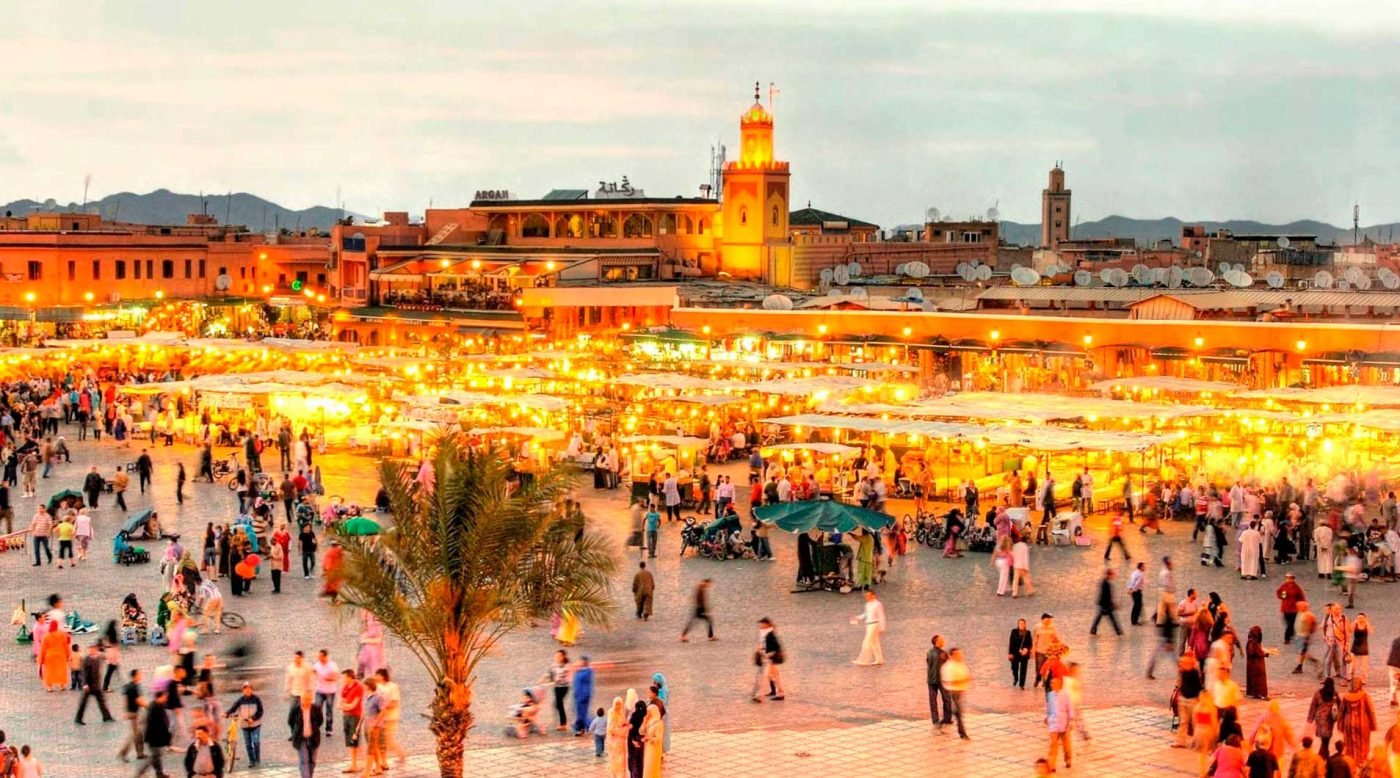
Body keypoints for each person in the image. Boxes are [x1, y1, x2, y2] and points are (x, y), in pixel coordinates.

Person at [1337, 677, 1376, 765]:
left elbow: (1341, 712)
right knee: (1363, 743)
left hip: (1349, 723)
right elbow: (1370, 711)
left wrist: (1340, 726)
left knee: (1350, 743)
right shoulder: (1364, 696)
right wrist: (1373, 725)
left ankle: (1351, 760)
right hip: (1362, 723)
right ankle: (1361, 760)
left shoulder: (1346, 696)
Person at [224, 682, 264, 768]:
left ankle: (257, 759)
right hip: (245, 725)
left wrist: (253, 718)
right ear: (243, 690)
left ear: (251, 689)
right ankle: (252, 760)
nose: (247, 690)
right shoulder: (240, 700)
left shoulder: (256, 699)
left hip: (255, 724)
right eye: (245, 689)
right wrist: (226, 713)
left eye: (249, 688)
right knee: (248, 744)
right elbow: (233, 708)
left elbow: (260, 711)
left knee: (256, 742)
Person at [136, 688, 173, 778]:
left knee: (156, 756)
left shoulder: (156, 705)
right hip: (154, 737)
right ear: (160, 697)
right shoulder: (156, 708)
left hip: (154, 736)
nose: (166, 698)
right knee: (154, 756)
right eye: (165, 696)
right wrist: (167, 738)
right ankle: (141, 772)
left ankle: (159, 773)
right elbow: (159, 725)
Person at [74, 643, 114, 725]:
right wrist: (85, 684)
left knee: (102, 701)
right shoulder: (86, 660)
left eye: (94, 649)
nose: (93, 650)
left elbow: (105, 657)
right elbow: (84, 673)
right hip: (89, 685)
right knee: (83, 703)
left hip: (96, 685)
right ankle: (78, 718)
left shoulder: (98, 657)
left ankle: (106, 716)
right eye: (91, 649)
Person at [288, 693, 323, 778]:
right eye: (303, 700)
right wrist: (296, 731)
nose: (305, 702)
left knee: (312, 761)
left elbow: (320, 721)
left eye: (307, 700)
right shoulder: (295, 709)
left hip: (313, 738)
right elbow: (290, 721)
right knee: (304, 760)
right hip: (301, 739)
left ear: (310, 700)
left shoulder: (316, 709)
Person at [1174, 654, 1204, 749]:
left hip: (1193, 700)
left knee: (1196, 722)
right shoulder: (1182, 672)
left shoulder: (1194, 673)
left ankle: (1198, 742)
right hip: (1183, 699)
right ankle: (1180, 741)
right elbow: (1180, 683)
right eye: (1181, 662)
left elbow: (1199, 687)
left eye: (1183, 663)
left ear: (1189, 663)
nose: (1180, 664)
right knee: (1183, 721)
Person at [940, 647, 971, 740]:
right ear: (952, 655)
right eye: (958, 654)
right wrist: (963, 680)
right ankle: (962, 733)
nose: (960, 656)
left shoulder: (960, 664)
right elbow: (948, 681)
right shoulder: (948, 667)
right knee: (958, 712)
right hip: (954, 691)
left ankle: (944, 722)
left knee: (957, 711)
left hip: (960, 690)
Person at [118, 668, 148, 762]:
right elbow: (138, 701)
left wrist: (125, 711)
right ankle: (123, 752)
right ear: (135, 676)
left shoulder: (128, 686)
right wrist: (149, 707)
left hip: (132, 712)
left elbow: (125, 699)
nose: (141, 676)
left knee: (138, 734)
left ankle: (140, 753)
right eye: (139, 674)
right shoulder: (134, 687)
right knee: (135, 735)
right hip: (134, 713)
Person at [753, 618, 785, 703]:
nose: (760, 625)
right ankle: (780, 693)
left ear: (766, 624)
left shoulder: (770, 634)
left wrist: (769, 654)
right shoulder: (764, 633)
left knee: (762, 676)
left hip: (768, 658)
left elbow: (777, 647)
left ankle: (759, 696)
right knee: (774, 676)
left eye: (762, 624)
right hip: (766, 658)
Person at [851, 590, 886, 666]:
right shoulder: (867, 604)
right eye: (866, 596)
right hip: (869, 624)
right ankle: (879, 659)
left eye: (869, 596)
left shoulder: (878, 604)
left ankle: (863, 660)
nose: (867, 597)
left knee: (867, 641)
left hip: (874, 624)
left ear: (873, 595)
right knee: (875, 643)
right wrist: (857, 617)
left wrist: (882, 627)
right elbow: (866, 614)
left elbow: (881, 616)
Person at [338, 671, 364, 774]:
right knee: (349, 741)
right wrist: (345, 706)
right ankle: (354, 763)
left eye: (344, 677)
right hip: (346, 716)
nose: (343, 679)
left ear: (350, 677)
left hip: (355, 716)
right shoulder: (345, 687)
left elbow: (354, 705)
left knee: (354, 740)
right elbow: (339, 703)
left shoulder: (358, 687)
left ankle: (355, 764)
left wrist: (345, 705)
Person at [1046, 676, 1073, 770]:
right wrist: (1046, 718)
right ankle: (1052, 764)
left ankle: (1068, 760)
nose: (1052, 685)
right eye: (1051, 683)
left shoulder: (1065, 695)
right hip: (1053, 723)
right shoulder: (1050, 695)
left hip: (1064, 723)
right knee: (1053, 745)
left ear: (1060, 684)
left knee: (1066, 744)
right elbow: (1048, 708)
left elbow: (1070, 708)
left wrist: (1070, 721)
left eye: (1054, 683)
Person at [312, 650, 338, 737]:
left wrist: (327, 678)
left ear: (325, 656)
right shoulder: (317, 665)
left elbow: (335, 677)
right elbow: (312, 672)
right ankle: (316, 726)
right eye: (318, 657)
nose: (319, 658)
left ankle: (329, 729)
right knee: (317, 708)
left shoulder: (332, 665)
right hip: (319, 691)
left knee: (329, 710)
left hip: (330, 691)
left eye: (320, 657)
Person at [1090, 568, 1123, 636]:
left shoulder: (1104, 582)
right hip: (1105, 605)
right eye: (1112, 575)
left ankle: (1093, 630)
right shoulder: (1106, 584)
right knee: (1111, 618)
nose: (1113, 576)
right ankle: (1118, 632)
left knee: (1100, 617)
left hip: (1103, 604)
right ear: (1109, 575)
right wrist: (1113, 605)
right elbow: (1107, 596)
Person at [925, 635, 950, 726]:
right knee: (946, 699)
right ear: (937, 642)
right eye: (942, 640)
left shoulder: (929, 652)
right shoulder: (943, 653)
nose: (943, 641)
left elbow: (929, 664)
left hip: (931, 679)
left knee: (933, 700)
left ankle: (935, 719)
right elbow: (948, 666)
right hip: (941, 679)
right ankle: (947, 718)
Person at [544, 649, 571, 732]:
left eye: (559, 656)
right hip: (556, 687)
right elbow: (549, 673)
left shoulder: (567, 666)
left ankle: (563, 724)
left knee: (559, 703)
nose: (557, 657)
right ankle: (561, 722)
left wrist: (554, 681)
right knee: (557, 704)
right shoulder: (554, 665)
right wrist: (544, 679)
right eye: (556, 656)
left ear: (563, 657)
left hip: (564, 687)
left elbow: (563, 677)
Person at [1276, 573, 1306, 645]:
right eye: (1287, 578)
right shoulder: (1283, 586)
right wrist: (1281, 596)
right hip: (1285, 608)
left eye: (1290, 578)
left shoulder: (1296, 588)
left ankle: (1287, 638)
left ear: (1293, 579)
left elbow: (1301, 596)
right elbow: (1278, 593)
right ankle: (1292, 633)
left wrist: (1303, 605)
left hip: (1294, 608)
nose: (1288, 579)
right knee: (1287, 622)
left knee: (1291, 623)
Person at [571, 657, 595, 737]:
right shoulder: (579, 671)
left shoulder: (587, 672)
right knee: (579, 712)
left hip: (583, 696)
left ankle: (583, 727)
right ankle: (583, 727)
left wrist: (584, 695)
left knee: (582, 714)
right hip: (578, 695)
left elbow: (586, 685)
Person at [606, 696, 629, 778]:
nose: (618, 706)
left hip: (621, 743)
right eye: (616, 704)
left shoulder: (621, 712)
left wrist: (625, 726)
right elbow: (611, 729)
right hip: (614, 743)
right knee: (614, 761)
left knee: (621, 762)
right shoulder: (611, 713)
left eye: (620, 704)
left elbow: (624, 723)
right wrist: (622, 730)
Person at [1246, 626, 1271, 700]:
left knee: (1256, 678)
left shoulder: (1253, 641)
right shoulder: (1252, 642)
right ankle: (1261, 694)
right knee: (1259, 678)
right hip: (1256, 664)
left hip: (1256, 663)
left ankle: (1256, 692)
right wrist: (1263, 654)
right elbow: (1252, 652)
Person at [1009, 619, 1032, 689]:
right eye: (1020, 623)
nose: (1021, 625)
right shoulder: (1014, 631)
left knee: (1023, 669)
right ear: (1018, 625)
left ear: (1025, 624)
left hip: (1024, 654)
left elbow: (1030, 644)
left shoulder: (1028, 633)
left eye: (1023, 623)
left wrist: (1026, 649)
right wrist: (1010, 653)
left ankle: (1022, 685)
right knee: (1014, 668)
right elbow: (1011, 643)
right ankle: (1016, 678)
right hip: (1015, 653)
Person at [1349, 613, 1371, 686]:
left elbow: (1370, 631)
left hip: (1364, 647)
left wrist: (1366, 622)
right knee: (1352, 664)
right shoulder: (1355, 624)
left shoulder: (1366, 624)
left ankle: (1363, 679)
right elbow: (1350, 630)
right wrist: (1354, 622)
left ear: (1365, 618)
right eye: (1358, 618)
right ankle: (1350, 676)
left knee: (1364, 665)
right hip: (1355, 646)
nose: (1360, 619)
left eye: (1361, 618)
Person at [1128, 561, 1146, 626]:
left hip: (1134, 591)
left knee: (1136, 605)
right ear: (1141, 567)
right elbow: (1137, 583)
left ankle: (1133, 620)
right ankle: (1135, 621)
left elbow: (1131, 581)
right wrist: (1133, 590)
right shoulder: (1141, 574)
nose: (1145, 568)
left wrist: (1130, 589)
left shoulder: (1134, 572)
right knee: (1138, 606)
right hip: (1137, 591)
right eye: (1144, 567)